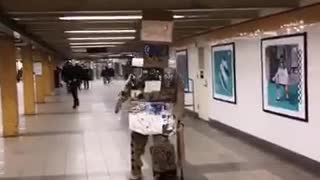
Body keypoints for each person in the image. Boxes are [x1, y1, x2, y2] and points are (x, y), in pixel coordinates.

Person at [115, 59, 185, 180]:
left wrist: (178, 114)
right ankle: (136, 170)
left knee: (161, 145)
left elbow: (180, 92)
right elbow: (126, 89)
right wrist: (120, 100)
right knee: (137, 146)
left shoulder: (171, 75)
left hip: (161, 116)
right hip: (140, 115)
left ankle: (162, 171)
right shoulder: (137, 74)